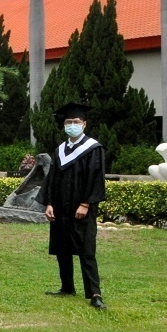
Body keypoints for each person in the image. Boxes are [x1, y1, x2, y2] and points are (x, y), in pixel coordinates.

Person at [37, 101, 107, 310]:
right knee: (63, 247)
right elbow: (52, 179)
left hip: (81, 208)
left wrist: (85, 203)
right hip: (60, 206)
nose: (71, 125)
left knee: (86, 250)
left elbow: (96, 178)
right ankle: (67, 287)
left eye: (76, 121)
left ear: (84, 124)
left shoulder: (93, 149)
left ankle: (95, 294)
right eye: (68, 122)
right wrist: (49, 203)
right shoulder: (60, 149)